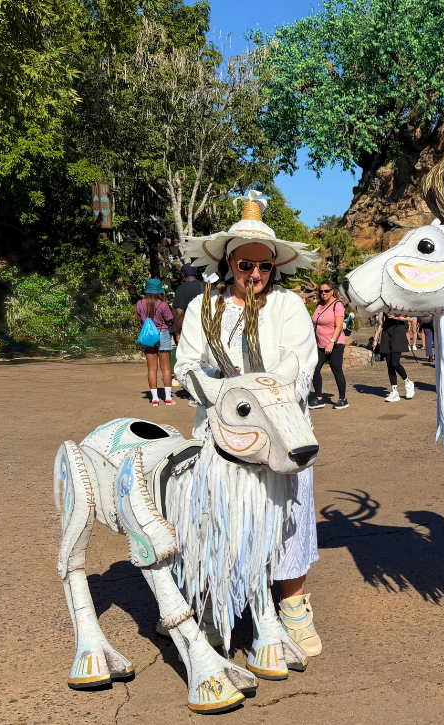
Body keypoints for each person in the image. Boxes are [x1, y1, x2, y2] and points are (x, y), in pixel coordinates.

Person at [175, 191, 324, 658]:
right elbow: (186, 366)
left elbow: (300, 366)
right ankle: (211, 607)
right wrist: (223, 393)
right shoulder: (204, 309)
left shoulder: (289, 306)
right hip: (222, 437)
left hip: (281, 434)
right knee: (217, 521)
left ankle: (293, 607)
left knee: (288, 518)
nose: (255, 275)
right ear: (228, 263)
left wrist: (259, 392)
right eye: (245, 265)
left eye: (264, 266)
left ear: (274, 267)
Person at [136, 278, 175, 406]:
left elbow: (138, 319)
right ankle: (168, 398)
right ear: (159, 291)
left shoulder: (140, 303)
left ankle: (154, 399)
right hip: (162, 333)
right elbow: (169, 320)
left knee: (152, 369)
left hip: (148, 336)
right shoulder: (163, 305)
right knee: (166, 368)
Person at [310, 284, 349, 410]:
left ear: (332, 291)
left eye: (326, 291)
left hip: (335, 343)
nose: (323, 293)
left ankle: (343, 399)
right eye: (321, 291)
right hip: (320, 344)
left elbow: (339, 326)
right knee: (314, 369)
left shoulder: (337, 305)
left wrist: (332, 342)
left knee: (336, 370)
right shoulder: (319, 305)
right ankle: (319, 398)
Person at [372, 312, 413, 401]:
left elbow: (410, 318)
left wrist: (398, 318)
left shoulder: (399, 305)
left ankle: (408, 382)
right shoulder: (383, 308)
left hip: (398, 331)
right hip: (386, 333)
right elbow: (380, 324)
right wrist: (375, 339)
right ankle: (395, 392)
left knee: (395, 363)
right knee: (389, 365)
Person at [171, 263, 203, 345]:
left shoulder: (181, 289)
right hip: (207, 328)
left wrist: (178, 332)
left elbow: (179, 313)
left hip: (190, 330)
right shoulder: (207, 286)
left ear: (183, 275)